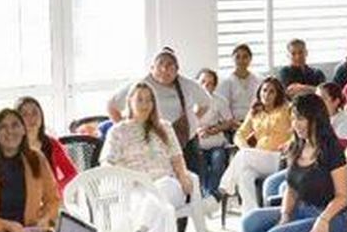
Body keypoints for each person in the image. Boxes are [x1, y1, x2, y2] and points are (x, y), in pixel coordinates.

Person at [239, 93, 347, 232]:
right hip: (302, 210)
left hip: (331, 218)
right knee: (250, 221)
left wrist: (324, 219)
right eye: (293, 118)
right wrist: (285, 215)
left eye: (300, 118)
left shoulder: (332, 150)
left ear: (315, 118)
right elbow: (291, 187)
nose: (295, 124)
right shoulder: (297, 145)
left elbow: (343, 196)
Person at [102, 82, 201, 217]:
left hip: (168, 184)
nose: (145, 104)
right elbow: (107, 162)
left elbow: (176, 156)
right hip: (136, 188)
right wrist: (121, 180)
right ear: (130, 102)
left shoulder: (165, 127)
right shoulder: (118, 131)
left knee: (160, 192)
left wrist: (183, 175)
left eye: (149, 100)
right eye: (140, 99)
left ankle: (142, 230)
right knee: (152, 206)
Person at [106, 48, 212, 153]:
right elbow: (111, 105)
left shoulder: (188, 84)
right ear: (152, 68)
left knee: (192, 170)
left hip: (186, 143)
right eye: (160, 64)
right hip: (152, 144)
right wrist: (128, 131)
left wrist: (193, 118)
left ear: (177, 70)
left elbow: (206, 102)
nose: (164, 69)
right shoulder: (140, 84)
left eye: (170, 65)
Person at [218, 77, 293, 211]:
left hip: (279, 158)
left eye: (271, 92)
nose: (267, 95)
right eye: (264, 90)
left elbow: (298, 132)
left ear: (278, 94)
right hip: (257, 158)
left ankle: (225, 187)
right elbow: (239, 134)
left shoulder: (287, 109)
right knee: (244, 175)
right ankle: (251, 214)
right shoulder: (255, 111)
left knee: (243, 159)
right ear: (259, 92)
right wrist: (246, 149)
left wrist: (289, 143)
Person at [187, 69, 233, 208]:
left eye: (211, 84)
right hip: (197, 143)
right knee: (199, 163)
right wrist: (197, 129)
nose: (206, 86)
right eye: (203, 82)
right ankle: (201, 195)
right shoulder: (189, 101)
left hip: (215, 141)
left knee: (218, 159)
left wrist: (213, 130)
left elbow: (229, 121)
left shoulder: (220, 101)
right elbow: (187, 124)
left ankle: (210, 196)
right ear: (197, 83)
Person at [14, 96, 77, 192]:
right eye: (25, 114)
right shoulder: (11, 146)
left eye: (35, 113)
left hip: (50, 200)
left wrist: (55, 189)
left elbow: (71, 174)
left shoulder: (52, 144)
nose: (31, 118)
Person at [214, 43, 260, 127]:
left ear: (250, 59)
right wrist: (236, 124)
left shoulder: (258, 80)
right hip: (234, 124)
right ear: (233, 59)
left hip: (255, 122)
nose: (241, 60)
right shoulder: (226, 81)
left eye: (245, 57)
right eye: (237, 57)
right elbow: (224, 108)